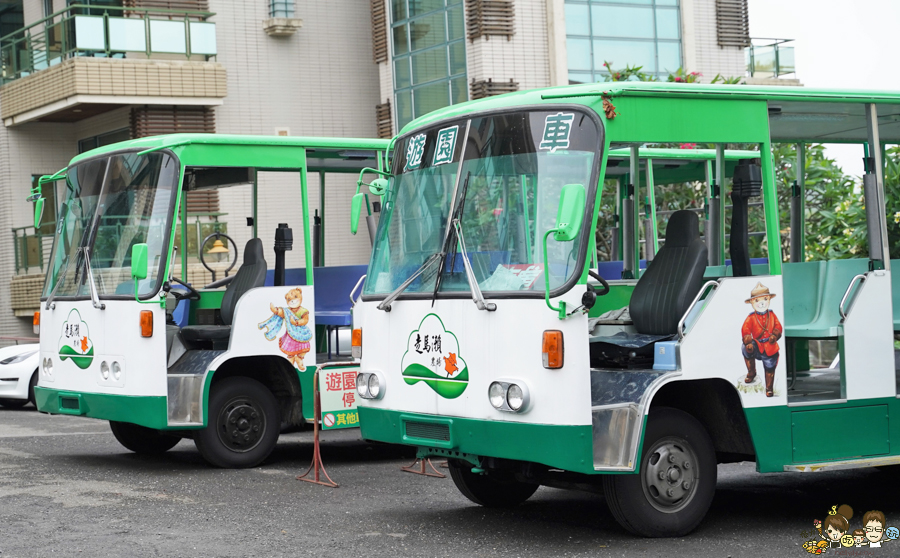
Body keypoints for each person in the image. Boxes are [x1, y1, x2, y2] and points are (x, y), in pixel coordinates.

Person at [741, 282, 782, 397]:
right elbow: (745, 329)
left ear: (769, 299)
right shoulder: (751, 317)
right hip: (757, 344)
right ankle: (751, 372)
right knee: (745, 348)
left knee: (770, 366)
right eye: (757, 300)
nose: (761, 303)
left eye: (765, 299)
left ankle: (769, 388)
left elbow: (778, 327)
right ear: (752, 302)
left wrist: (775, 335)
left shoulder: (772, 315)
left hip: (770, 345)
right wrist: (748, 341)